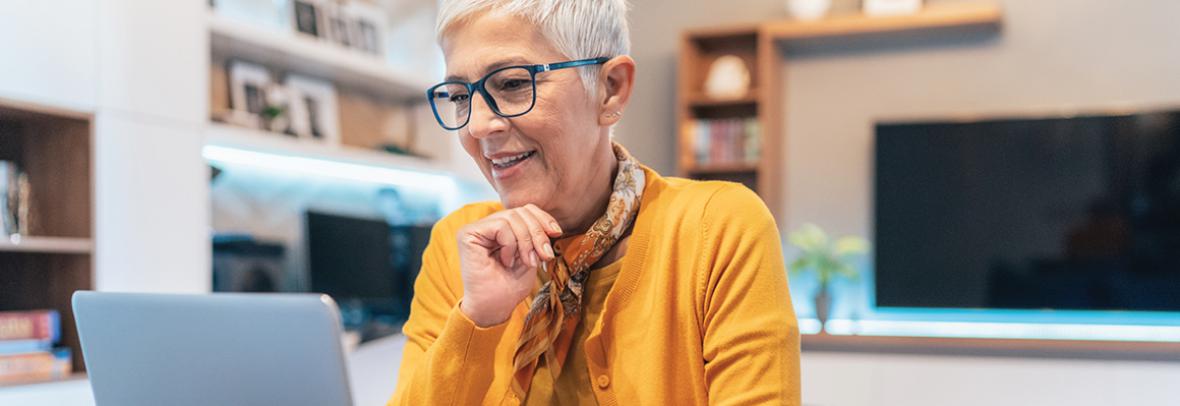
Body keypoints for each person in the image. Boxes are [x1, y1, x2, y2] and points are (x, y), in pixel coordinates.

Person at [389, 1, 800, 404]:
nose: (478, 126)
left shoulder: (716, 229)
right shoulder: (458, 247)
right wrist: (477, 320)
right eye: (461, 96)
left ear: (610, 89)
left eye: (513, 83)